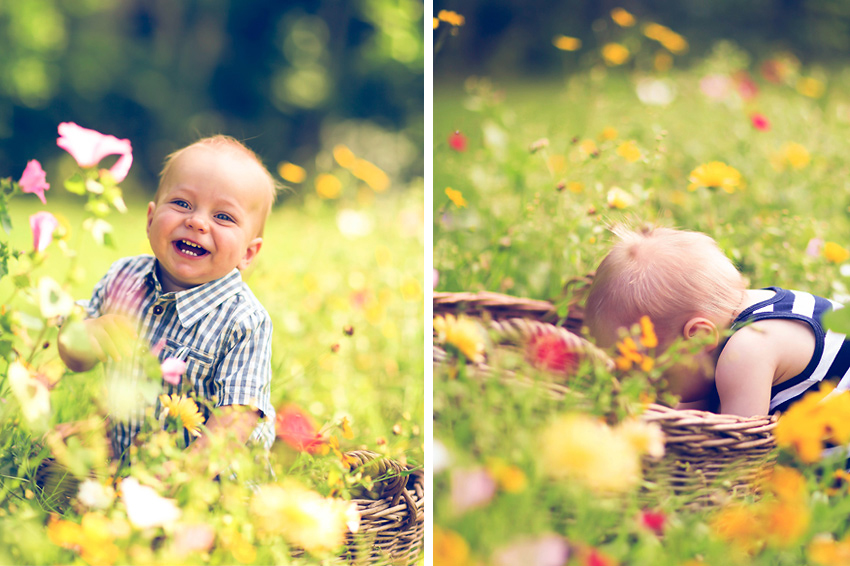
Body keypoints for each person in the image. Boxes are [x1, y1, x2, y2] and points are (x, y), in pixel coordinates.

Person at [58, 135, 277, 461]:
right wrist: (82, 336)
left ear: (248, 253)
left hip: (210, 480)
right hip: (129, 464)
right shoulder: (124, 277)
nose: (197, 221)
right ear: (150, 220)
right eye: (182, 204)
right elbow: (77, 361)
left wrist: (185, 481)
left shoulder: (244, 320)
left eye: (223, 217)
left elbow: (236, 418)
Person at [584, 224, 849, 417]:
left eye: (657, 379)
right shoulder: (742, 308)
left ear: (699, 336)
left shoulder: (747, 351)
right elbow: (700, 402)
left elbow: (737, 453)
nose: (655, 392)